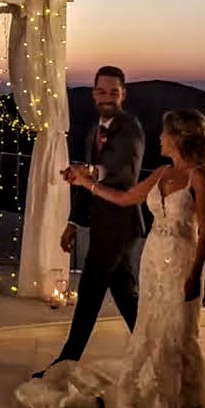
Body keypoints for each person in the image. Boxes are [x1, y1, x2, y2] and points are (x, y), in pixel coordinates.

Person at [20, 109, 205, 408]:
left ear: (178, 137)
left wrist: (193, 275)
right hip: (154, 259)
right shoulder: (161, 173)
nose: (159, 137)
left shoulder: (199, 177)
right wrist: (86, 182)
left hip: (183, 261)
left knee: (178, 334)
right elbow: (125, 198)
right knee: (149, 329)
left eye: (164, 133)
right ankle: (150, 404)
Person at [31, 66, 145, 379]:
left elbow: (121, 170)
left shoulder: (130, 127)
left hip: (119, 226)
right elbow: (84, 182)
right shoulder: (94, 130)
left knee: (90, 297)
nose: (107, 98)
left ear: (123, 94)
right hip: (104, 227)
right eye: (102, 91)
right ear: (94, 92)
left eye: (114, 92)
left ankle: (64, 364)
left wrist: (90, 173)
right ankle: (156, 357)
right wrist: (73, 223)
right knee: (126, 299)